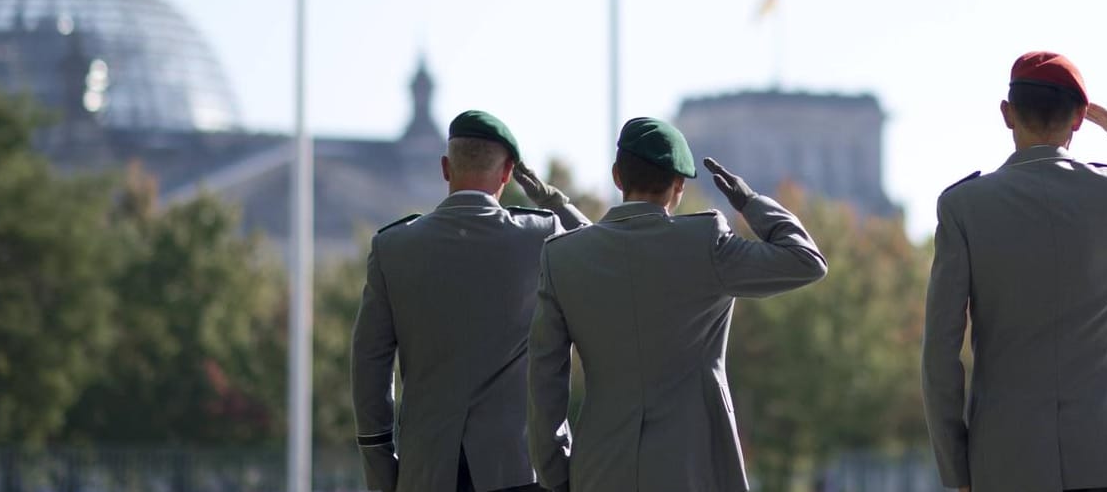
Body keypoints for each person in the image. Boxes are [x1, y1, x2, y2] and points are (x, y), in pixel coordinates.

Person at [526, 116, 828, 492]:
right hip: (694, 467)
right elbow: (806, 261)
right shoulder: (706, 244)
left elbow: (544, 380)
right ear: (679, 186)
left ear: (617, 177)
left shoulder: (562, 259)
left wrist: (557, 473)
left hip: (598, 468)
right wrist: (750, 203)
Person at [922, 51, 1107, 492]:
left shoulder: (964, 207)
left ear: (1007, 114)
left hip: (1006, 461)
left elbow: (940, 356)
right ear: (1081, 118)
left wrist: (956, 469)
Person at [351, 110, 589, 492]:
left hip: (425, 471)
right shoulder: (540, 235)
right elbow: (603, 252)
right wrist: (556, 202)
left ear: (446, 167)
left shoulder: (393, 247)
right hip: (515, 468)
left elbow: (369, 366)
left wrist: (381, 468)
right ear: (508, 172)